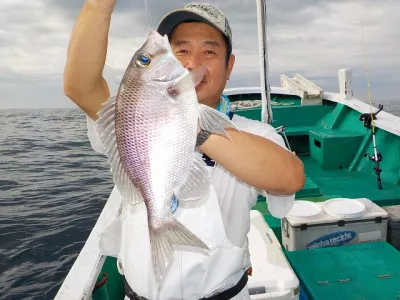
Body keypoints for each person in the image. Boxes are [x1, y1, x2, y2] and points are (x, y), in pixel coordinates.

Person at [64, 1, 305, 299]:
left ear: (229, 66)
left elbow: (289, 177)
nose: (192, 62)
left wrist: (192, 126)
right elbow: (80, 86)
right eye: (181, 50)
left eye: (209, 51)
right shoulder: (132, 119)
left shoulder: (255, 133)